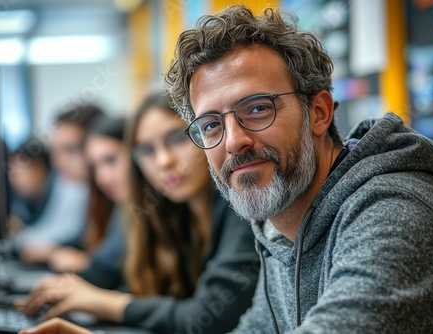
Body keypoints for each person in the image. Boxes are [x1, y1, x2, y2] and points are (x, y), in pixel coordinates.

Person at [163, 5, 433, 334]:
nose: (233, 142)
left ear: (318, 113)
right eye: (211, 125)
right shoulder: (277, 228)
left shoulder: (395, 211)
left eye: (257, 109)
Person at [23, 92, 259, 334]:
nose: (164, 161)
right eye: (147, 150)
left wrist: (97, 301)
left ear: (206, 133)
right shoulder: (173, 215)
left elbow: (205, 318)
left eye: (177, 138)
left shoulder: (241, 208)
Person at [15, 104, 103, 264]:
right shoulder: (87, 193)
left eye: (70, 149)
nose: (58, 163)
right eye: (55, 151)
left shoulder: (115, 198)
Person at [48, 116, 129, 274]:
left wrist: (86, 264)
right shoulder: (105, 199)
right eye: (94, 166)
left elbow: (109, 268)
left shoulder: (129, 203)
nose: (102, 178)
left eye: (70, 149)